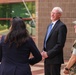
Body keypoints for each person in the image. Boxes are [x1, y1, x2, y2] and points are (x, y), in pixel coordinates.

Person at [41, 7, 67, 75]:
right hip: (47, 59)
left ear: (59, 15)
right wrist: (44, 52)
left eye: (54, 13)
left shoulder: (61, 26)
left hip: (55, 59)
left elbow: (60, 44)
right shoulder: (49, 25)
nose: (52, 15)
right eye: (52, 12)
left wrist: (48, 54)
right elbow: (47, 40)